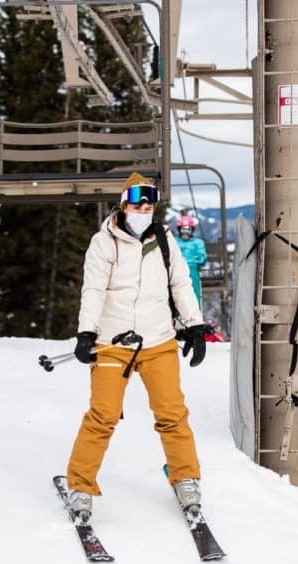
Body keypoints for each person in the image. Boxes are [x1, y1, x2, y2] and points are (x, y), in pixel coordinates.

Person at [65, 173, 207, 522]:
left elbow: (180, 283)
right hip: (113, 342)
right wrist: (86, 332)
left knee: (172, 412)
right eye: (137, 202)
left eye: (149, 203)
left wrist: (195, 325)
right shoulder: (105, 242)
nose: (143, 209)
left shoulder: (164, 239)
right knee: (104, 414)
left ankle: (185, 477)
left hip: (158, 340)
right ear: (124, 204)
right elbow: (94, 289)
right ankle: (81, 485)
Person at [175, 214, 207, 306]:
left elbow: (202, 257)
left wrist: (193, 259)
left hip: (191, 269)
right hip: (177, 269)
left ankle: (196, 310)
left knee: (194, 291)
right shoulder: (174, 242)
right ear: (179, 230)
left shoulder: (197, 243)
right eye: (183, 230)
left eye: (188, 230)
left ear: (192, 230)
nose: (185, 233)